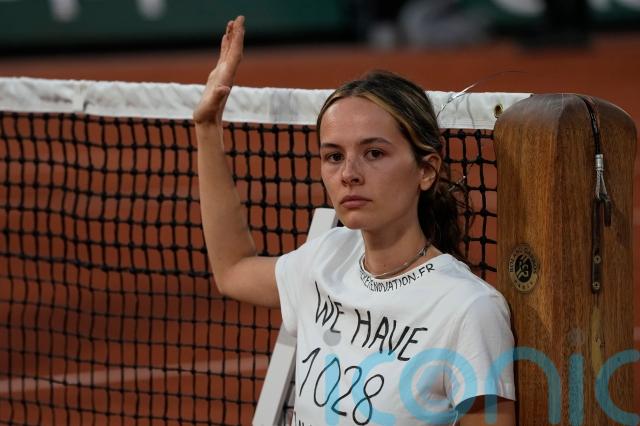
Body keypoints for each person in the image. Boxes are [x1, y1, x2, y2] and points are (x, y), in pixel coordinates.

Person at [193, 16, 516, 425]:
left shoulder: (468, 309)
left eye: (374, 153)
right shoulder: (326, 258)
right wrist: (207, 127)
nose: (349, 173)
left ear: (426, 170)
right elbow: (232, 269)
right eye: (334, 156)